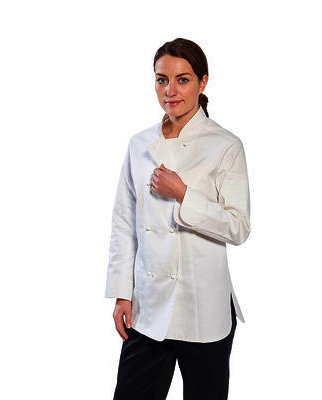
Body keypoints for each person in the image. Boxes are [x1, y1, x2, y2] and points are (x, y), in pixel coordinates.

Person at [105, 38, 251, 400]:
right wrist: (122, 292)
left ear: (203, 83)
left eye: (182, 80)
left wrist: (184, 193)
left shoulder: (225, 146)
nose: (170, 90)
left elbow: (238, 227)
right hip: (149, 305)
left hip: (203, 308)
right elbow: (124, 222)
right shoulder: (139, 144)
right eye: (162, 80)